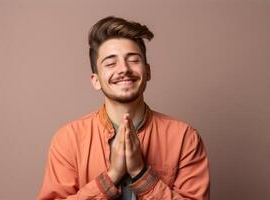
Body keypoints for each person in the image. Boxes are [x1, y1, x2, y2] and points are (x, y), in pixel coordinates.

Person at [37, 16, 210, 200]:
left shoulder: (184, 137)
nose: (124, 69)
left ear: (148, 71)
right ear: (96, 80)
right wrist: (111, 177)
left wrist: (141, 173)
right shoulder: (68, 139)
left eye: (133, 60)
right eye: (111, 63)